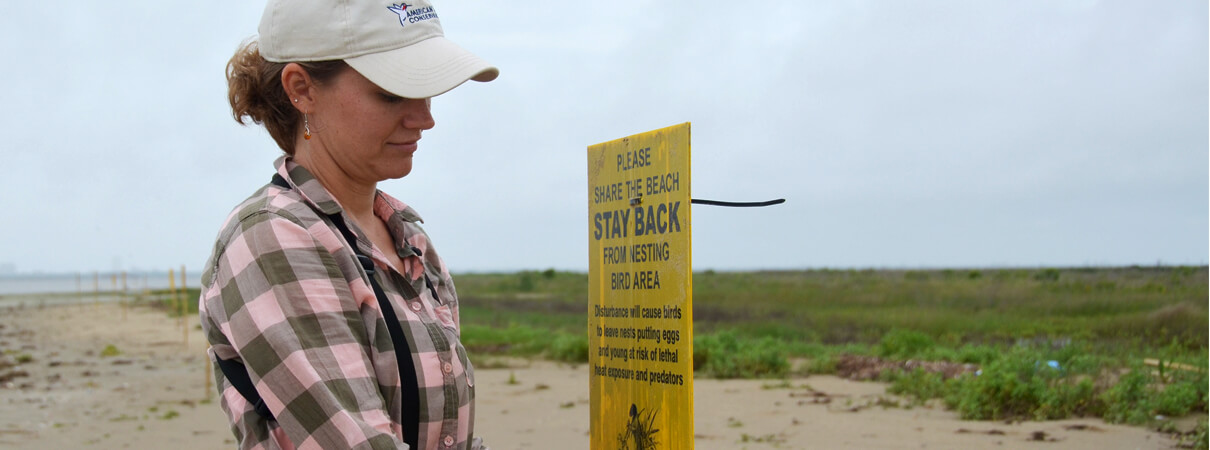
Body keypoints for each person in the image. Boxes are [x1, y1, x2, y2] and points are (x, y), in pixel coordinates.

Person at [198, 1, 497, 448]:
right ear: (302, 89)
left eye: (428, 88)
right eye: (392, 93)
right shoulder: (272, 237)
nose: (425, 118)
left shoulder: (407, 236)